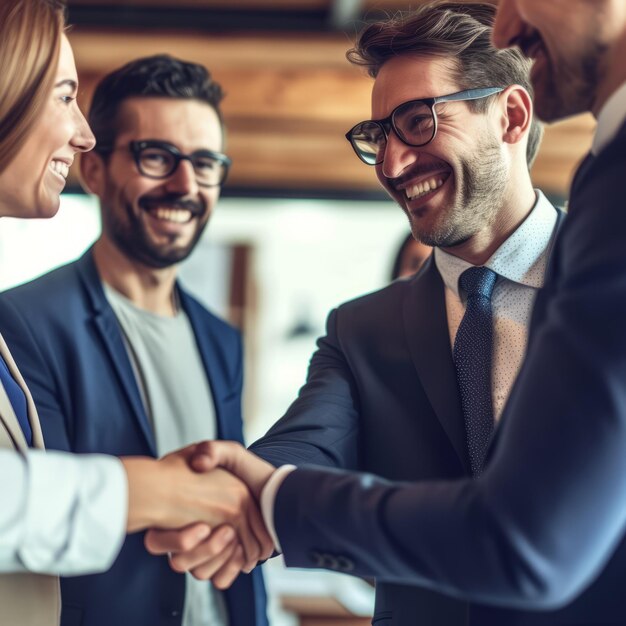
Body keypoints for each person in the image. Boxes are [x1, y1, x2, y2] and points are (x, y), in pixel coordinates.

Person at [149, 0, 626, 619]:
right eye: (380, 136)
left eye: (420, 121)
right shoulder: (361, 328)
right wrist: (230, 494)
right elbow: (305, 447)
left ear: (510, 116)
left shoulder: (604, 268)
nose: (395, 164)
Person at [0, 2, 271, 625]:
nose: (185, 185)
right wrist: (152, 489)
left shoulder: (221, 338)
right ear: (94, 171)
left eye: (205, 164)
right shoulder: (24, 322)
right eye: (157, 156)